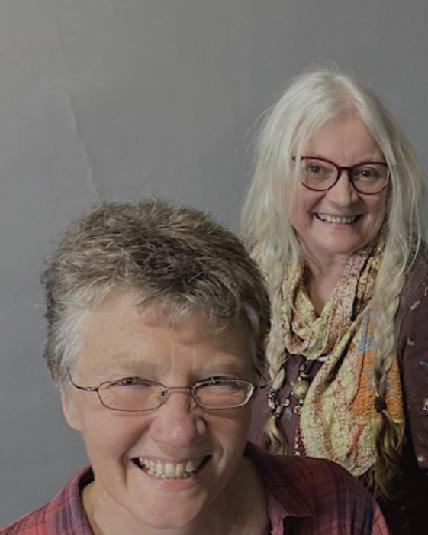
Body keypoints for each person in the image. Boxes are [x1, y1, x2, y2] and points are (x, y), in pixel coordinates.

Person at [2, 200, 388, 534]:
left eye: (216, 381)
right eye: (131, 382)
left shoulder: (338, 507)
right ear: (67, 393)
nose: (179, 431)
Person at [242, 67, 428, 534]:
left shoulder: (417, 289)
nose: (342, 196)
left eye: (367, 173)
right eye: (316, 170)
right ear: (279, 172)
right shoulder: (249, 271)